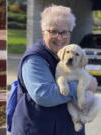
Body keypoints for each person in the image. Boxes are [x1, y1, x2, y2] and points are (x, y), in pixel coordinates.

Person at [11, 5, 98, 135]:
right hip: (39, 129)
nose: (59, 37)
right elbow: (44, 95)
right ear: (43, 32)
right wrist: (84, 86)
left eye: (64, 32)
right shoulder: (34, 59)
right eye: (53, 31)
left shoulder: (70, 54)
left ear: (70, 33)